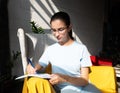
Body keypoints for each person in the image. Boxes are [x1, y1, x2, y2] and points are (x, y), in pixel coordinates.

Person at [27, 11, 101, 93]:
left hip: (84, 86)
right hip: (66, 89)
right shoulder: (51, 50)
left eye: (60, 29)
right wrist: (32, 68)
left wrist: (65, 78)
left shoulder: (81, 49)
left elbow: (85, 81)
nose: (57, 34)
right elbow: (40, 64)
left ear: (69, 27)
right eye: (54, 30)